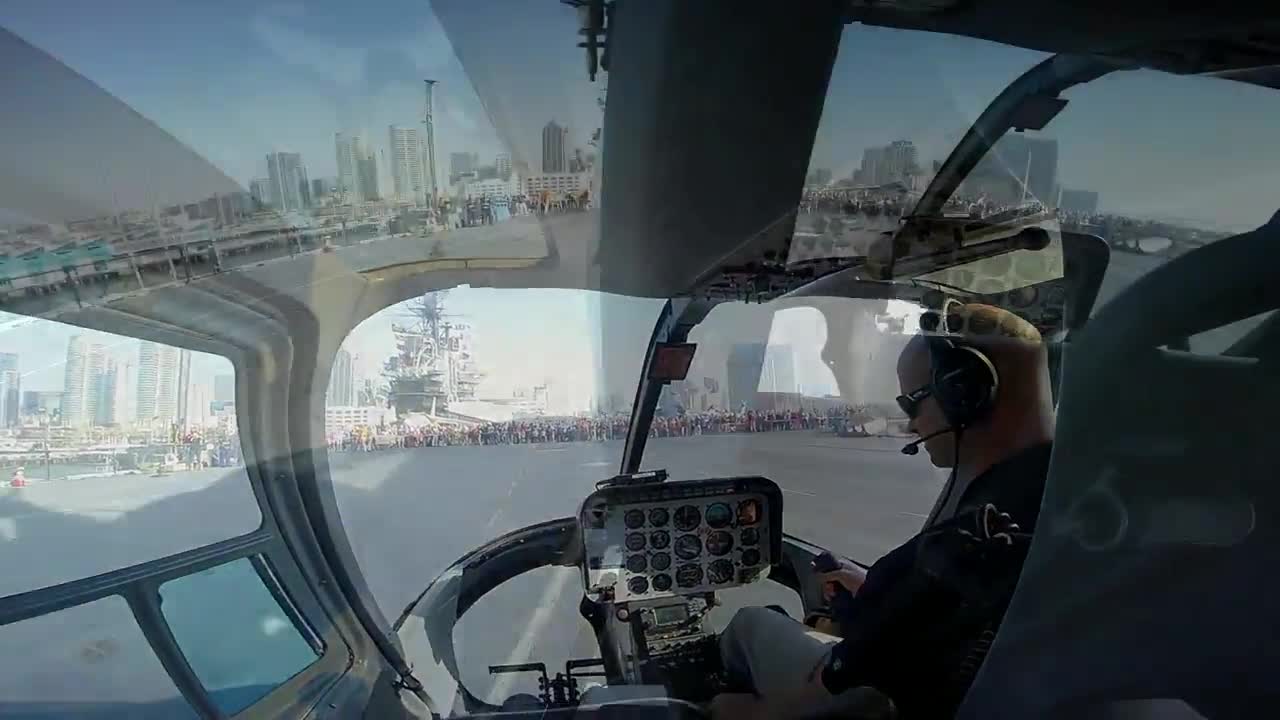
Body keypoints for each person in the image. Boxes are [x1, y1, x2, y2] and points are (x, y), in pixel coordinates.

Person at [712, 303, 1056, 720]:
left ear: (964, 391)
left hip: (880, 701)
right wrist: (878, 587)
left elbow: (836, 696)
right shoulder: (1059, 494)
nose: (912, 426)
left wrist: (725, 710)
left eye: (911, 404)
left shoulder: (966, 543)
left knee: (750, 625)